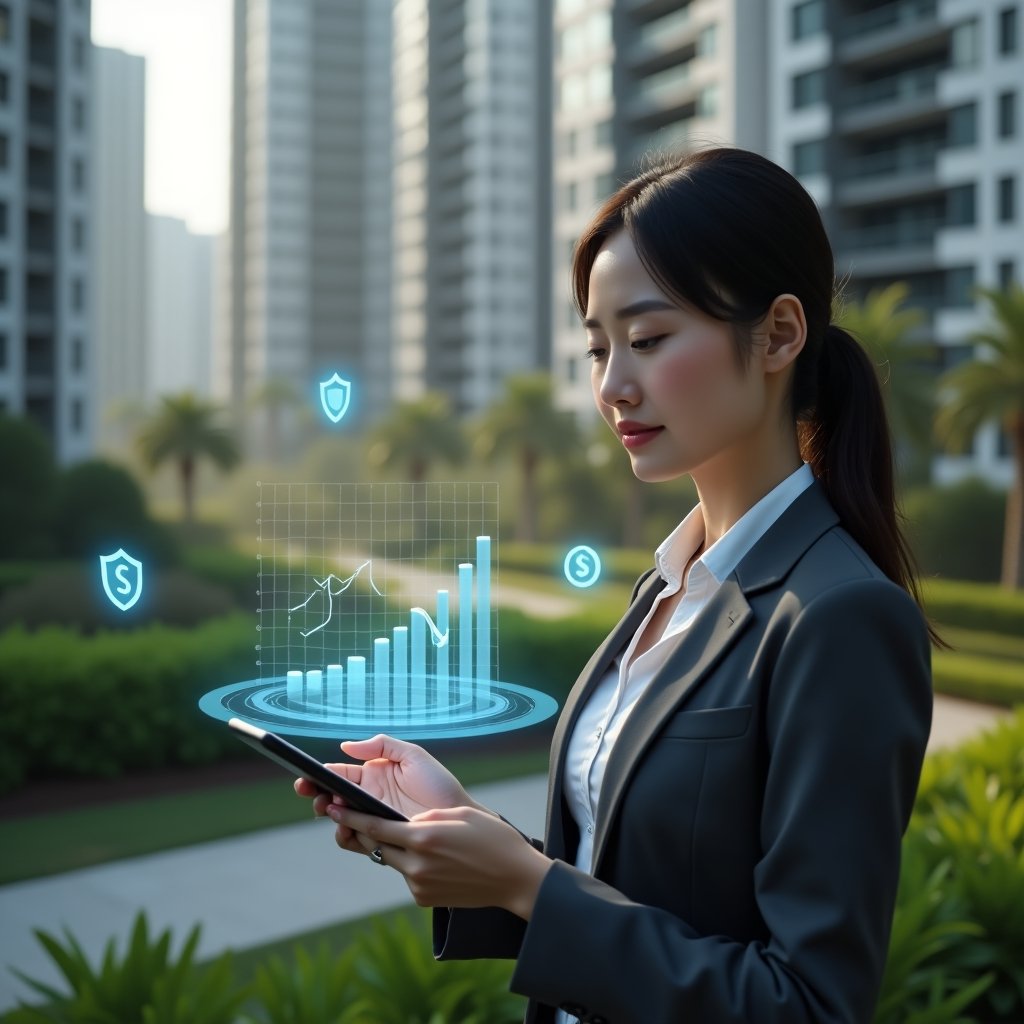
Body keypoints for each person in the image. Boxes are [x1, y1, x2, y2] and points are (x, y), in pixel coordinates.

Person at [295, 147, 934, 1023]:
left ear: (781, 333)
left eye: (648, 339)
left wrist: (527, 885)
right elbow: (631, 892)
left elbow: (810, 1004)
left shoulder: (839, 616)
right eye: (597, 349)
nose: (613, 387)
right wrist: (461, 836)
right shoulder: (668, 585)